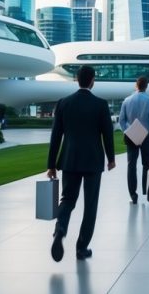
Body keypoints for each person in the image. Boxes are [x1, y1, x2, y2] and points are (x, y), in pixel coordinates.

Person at [46, 65, 116, 262]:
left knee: (67, 199)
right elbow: (107, 134)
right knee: (90, 205)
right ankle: (82, 247)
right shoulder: (101, 104)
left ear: (77, 79)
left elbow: (55, 136)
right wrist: (111, 158)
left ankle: (60, 228)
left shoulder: (63, 103)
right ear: (92, 80)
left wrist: (51, 164)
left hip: (69, 159)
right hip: (93, 160)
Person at [118, 76, 149, 204]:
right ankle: (148, 193)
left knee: (131, 165)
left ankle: (133, 195)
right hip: (146, 136)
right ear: (146, 86)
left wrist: (130, 131)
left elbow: (121, 121)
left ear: (136, 85)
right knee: (146, 165)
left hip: (131, 136)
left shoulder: (127, 100)